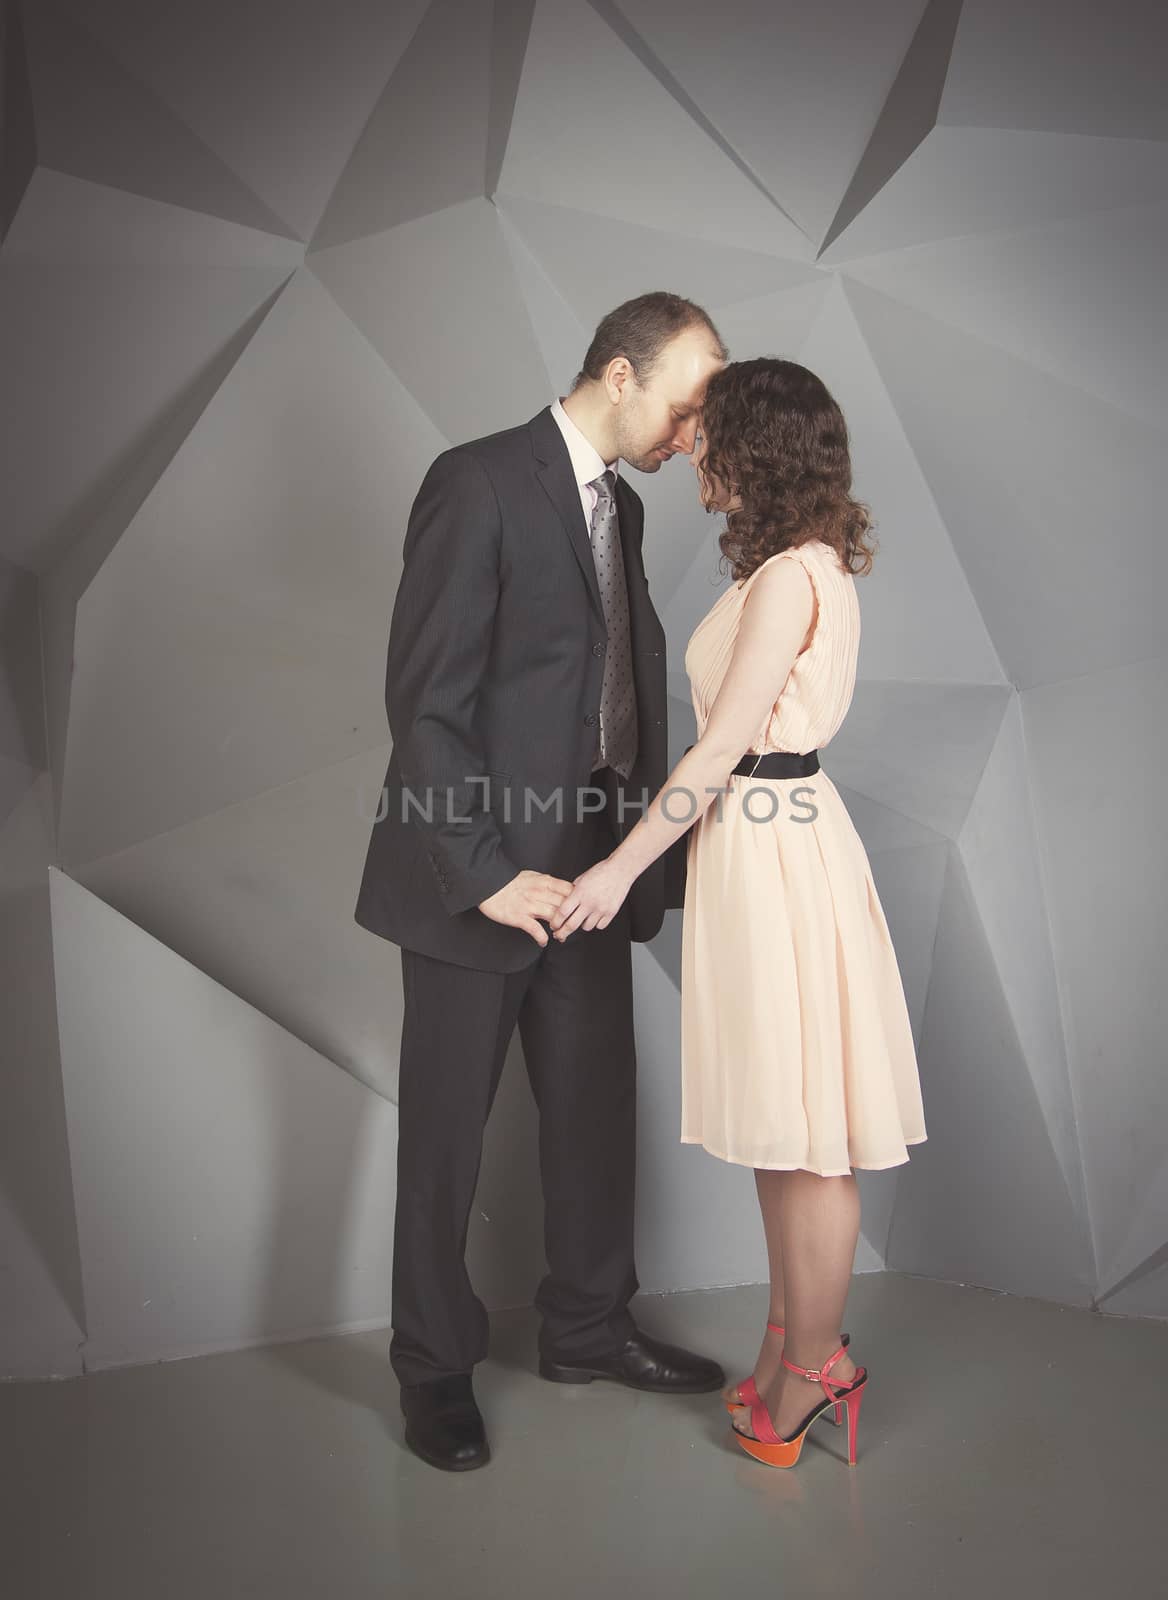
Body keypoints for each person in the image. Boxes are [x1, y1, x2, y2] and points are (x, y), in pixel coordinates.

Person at [354, 292, 730, 1472]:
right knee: (447, 1143)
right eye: (683, 405)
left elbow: (606, 689)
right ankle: (431, 1371)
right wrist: (482, 872)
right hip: (479, 878)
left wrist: (625, 858)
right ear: (619, 375)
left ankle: (584, 1327)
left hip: (592, 875)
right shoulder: (476, 481)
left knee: (589, 1117)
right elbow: (427, 701)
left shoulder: (614, 506)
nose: (690, 435)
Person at [550, 357, 928, 1470]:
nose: (691, 451)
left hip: (770, 834)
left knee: (807, 1133)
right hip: (767, 834)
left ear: (755, 447)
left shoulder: (785, 579)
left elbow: (721, 747)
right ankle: (788, 1348)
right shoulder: (798, 565)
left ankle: (818, 1370)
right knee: (784, 1122)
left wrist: (620, 868)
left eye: (709, 434)